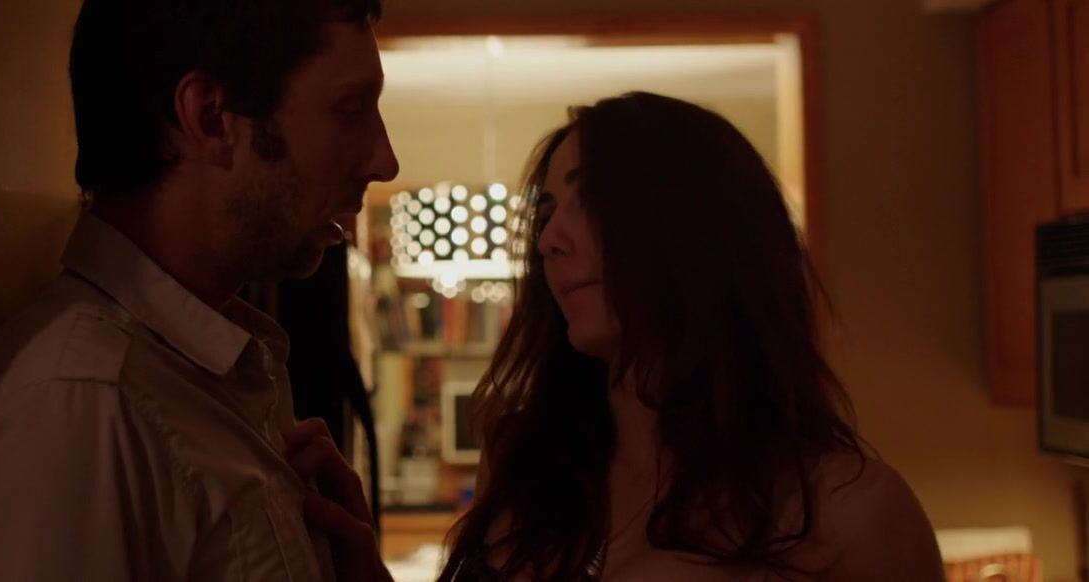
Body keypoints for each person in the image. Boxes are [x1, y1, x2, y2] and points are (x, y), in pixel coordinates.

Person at [289, 92, 945, 581]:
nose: (550, 240)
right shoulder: (523, 466)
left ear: (700, 232)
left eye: (592, 202)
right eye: (548, 213)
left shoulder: (854, 516)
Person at [0, 0, 398, 578]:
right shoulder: (83, 405)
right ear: (211, 118)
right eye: (350, 110)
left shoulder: (215, 370)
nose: (384, 160)